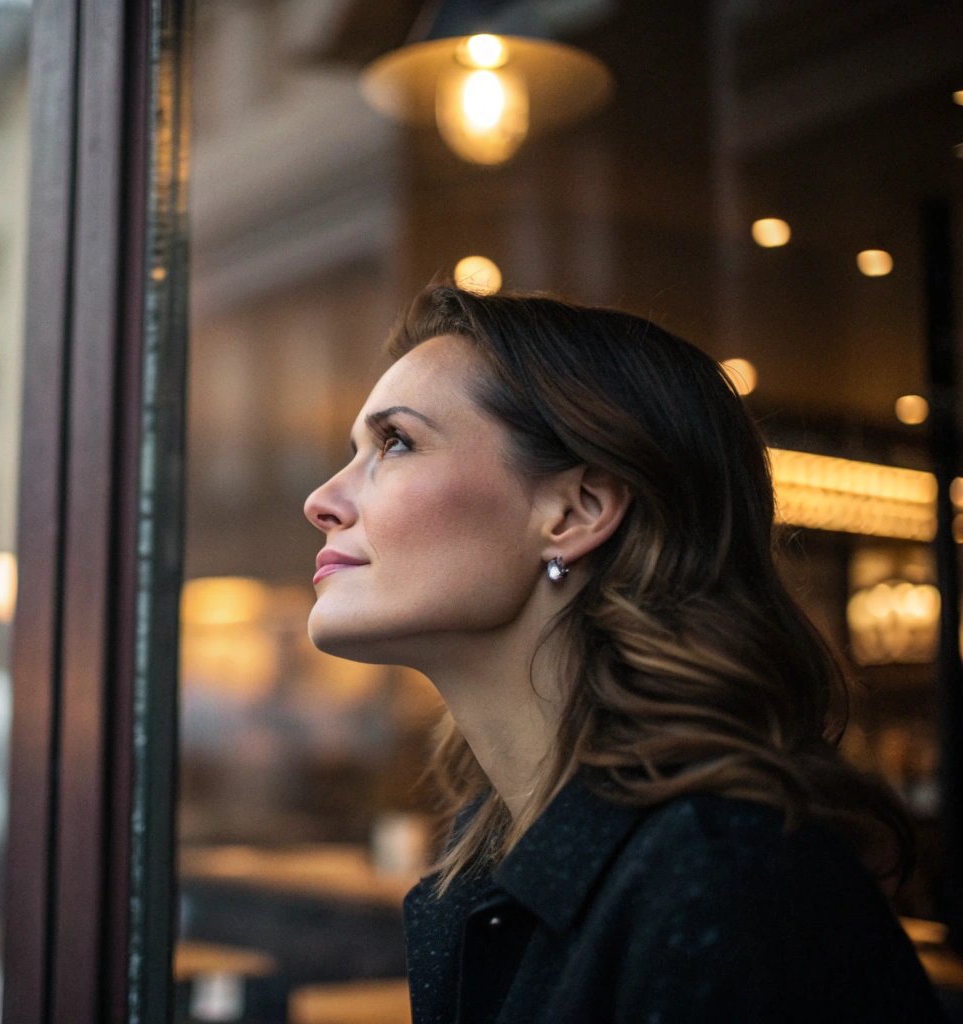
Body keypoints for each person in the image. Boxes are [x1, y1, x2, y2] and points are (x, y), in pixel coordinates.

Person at [303, 282, 947, 1023]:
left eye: (396, 443)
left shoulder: (731, 884)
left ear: (576, 512)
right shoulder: (504, 865)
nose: (322, 499)